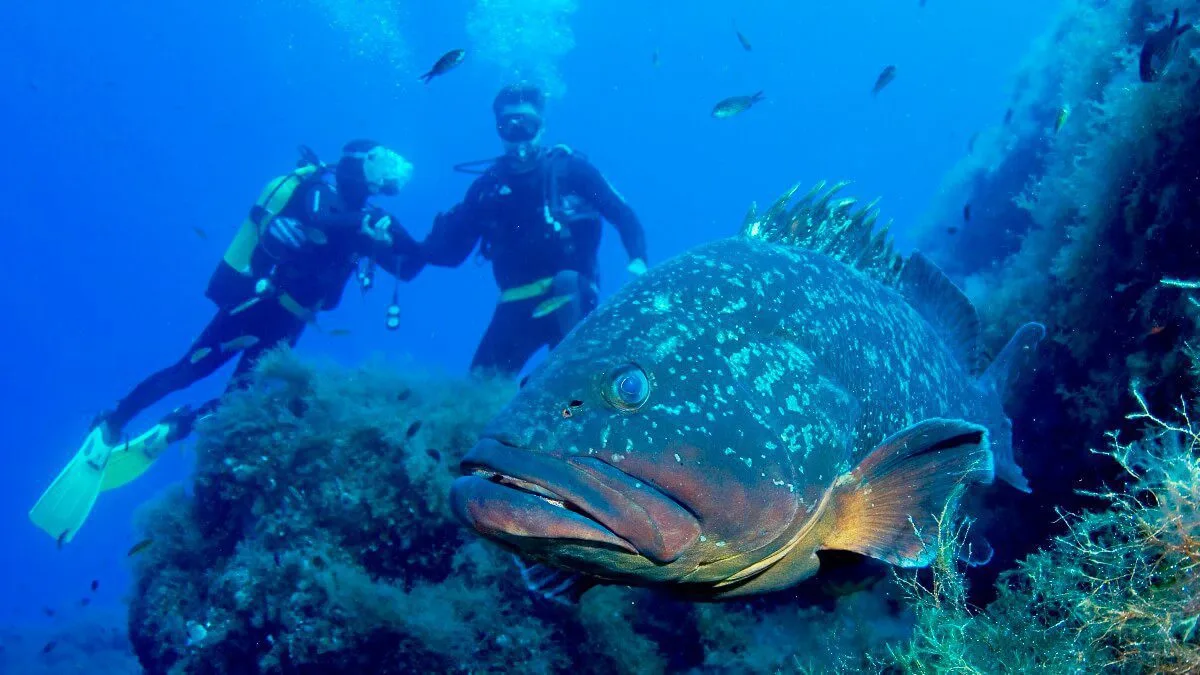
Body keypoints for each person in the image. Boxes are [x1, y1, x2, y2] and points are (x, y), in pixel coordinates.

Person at [30, 140, 420, 545]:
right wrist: (368, 225)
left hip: (290, 324)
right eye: (377, 166)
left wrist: (424, 241)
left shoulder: (368, 219)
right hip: (255, 306)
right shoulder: (321, 190)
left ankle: (179, 425)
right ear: (356, 166)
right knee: (187, 372)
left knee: (240, 402)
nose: (382, 179)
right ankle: (111, 425)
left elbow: (409, 267)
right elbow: (319, 216)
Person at [407, 83, 648, 376]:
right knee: (479, 386)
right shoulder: (487, 188)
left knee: (573, 382)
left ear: (542, 127)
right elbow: (451, 254)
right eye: (509, 125)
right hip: (515, 302)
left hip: (571, 292)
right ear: (498, 130)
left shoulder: (572, 171)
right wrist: (410, 244)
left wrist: (637, 259)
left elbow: (623, 215)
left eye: (527, 124)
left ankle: (576, 396)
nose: (519, 134)